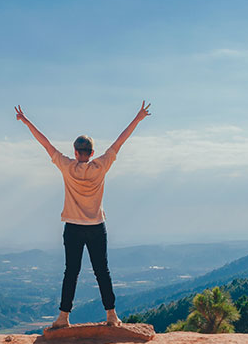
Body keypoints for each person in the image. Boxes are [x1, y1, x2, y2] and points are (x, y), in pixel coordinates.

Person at [15, 101, 152, 328]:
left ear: (76, 152)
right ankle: (111, 315)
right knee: (102, 272)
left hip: (73, 227)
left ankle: (63, 317)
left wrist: (27, 121)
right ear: (92, 153)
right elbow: (120, 141)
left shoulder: (67, 166)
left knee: (71, 272)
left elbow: (45, 144)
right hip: (97, 226)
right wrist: (138, 118)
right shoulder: (101, 166)